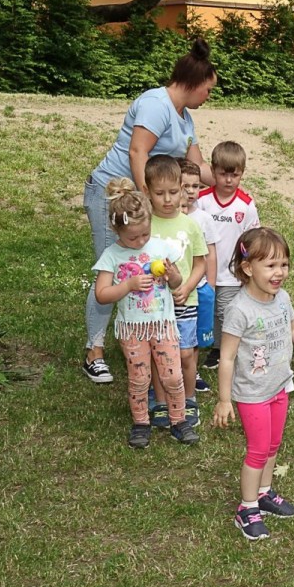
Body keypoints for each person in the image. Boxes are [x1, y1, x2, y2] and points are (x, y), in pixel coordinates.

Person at [81, 39, 216, 384]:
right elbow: (137, 153)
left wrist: (229, 182)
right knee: (112, 266)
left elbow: (195, 164)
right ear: (195, 82)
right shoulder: (157, 104)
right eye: (208, 89)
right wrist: (146, 201)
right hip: (112, 195)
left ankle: (145, 335)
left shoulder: (185, 118)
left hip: (143, 198)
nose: (208, 97)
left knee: (145, 267)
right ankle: (93, 352)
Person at [212, 228, 294, 541]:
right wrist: (225, 400)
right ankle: (247, 507)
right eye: (270, 265)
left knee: (273, 445)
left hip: (279, 386)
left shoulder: (281, 299)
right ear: (248, 268)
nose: (279, 273)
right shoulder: (239, 309)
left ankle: (264, 493)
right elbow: (226, 358)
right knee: (256, 451)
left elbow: (293, 327)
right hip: (252, 394)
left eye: (284, 264)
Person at [92, 178, 202, 449]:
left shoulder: (162, 247)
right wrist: (127, 285)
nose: (140, 241)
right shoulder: (112, 255)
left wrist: (175, 276)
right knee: (139, 378)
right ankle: (141, 422)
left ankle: (179, 420)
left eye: (145, 234)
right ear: (116, 230)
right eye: (133, 237)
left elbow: (177, 284)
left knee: (172, 375)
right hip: (133, 329)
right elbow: (101, 294)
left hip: (163, 325)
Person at [144, 155, 208, 429]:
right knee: (159, 354)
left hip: (184, 300)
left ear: (182, 189)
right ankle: (160, 401)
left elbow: (200, 263)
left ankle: (189, 398)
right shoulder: (145, 224)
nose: (168, 199)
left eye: (173, 192)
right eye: (160, 193)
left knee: (184, 354)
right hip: (154, 304)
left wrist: (187, 286)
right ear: (147, 192)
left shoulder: (190, 224)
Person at [198, 141, 260, 373]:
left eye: (234, 175)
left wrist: (248, 266)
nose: (228, 180)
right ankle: (217, 346)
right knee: (211, 308)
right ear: (213, 171)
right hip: (204, 269)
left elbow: (252, 238)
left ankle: (229, 351)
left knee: (227, 311)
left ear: (241, 174)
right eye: (223, 174)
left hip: (232, 273)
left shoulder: (246, 205)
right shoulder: (202, 201)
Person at [179, 157, 215, 397]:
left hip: (199, 286)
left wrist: (210, 285)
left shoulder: (203, 218)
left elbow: (210, 254)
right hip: (174, 287)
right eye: (185, 186)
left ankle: (193, 371)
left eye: (196, 186)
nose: (191, 191)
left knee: (195, 333)